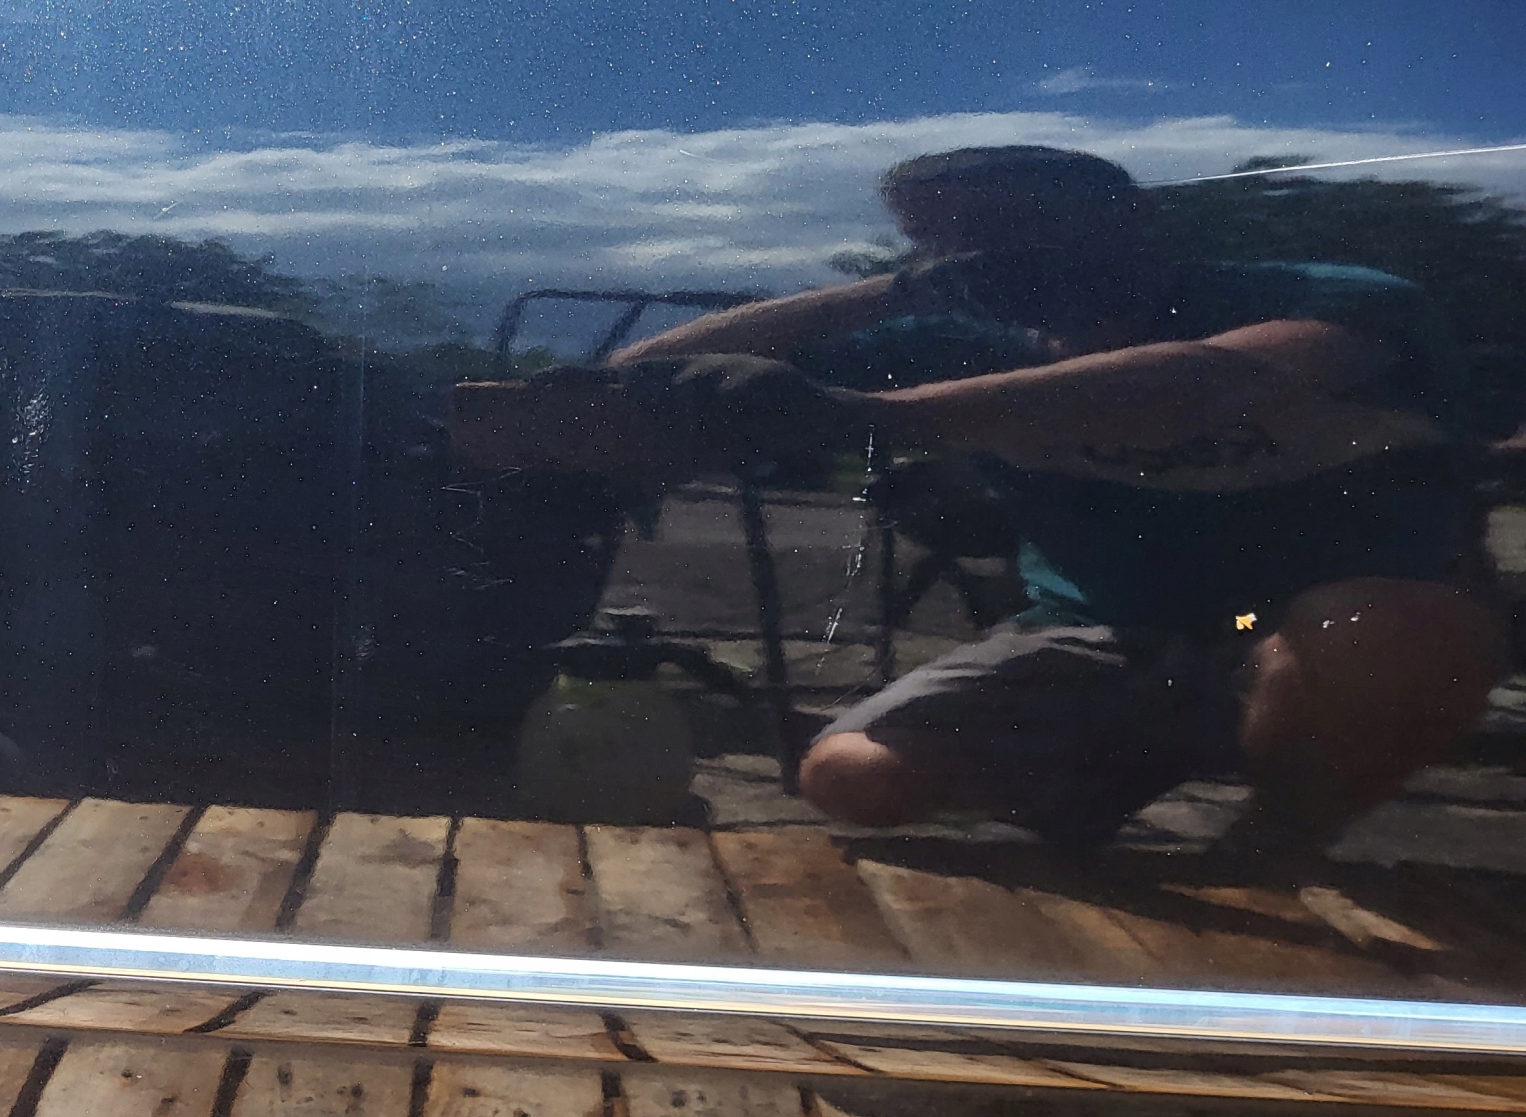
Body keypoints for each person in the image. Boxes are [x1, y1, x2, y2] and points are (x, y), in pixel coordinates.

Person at [599, 145, 1505, 851]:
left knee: (1384, 627)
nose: (987, 254)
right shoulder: (945, 333)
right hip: (1099, 631)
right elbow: (636, 374)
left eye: (1015, 224)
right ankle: (1094, 783)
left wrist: (870, 414)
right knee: (852, 775)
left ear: (1132, 219)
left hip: (1295, 638)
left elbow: (1193, 382)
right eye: (945, 236)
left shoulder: (1333, 300)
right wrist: (889, 292)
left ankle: (1276, 847)